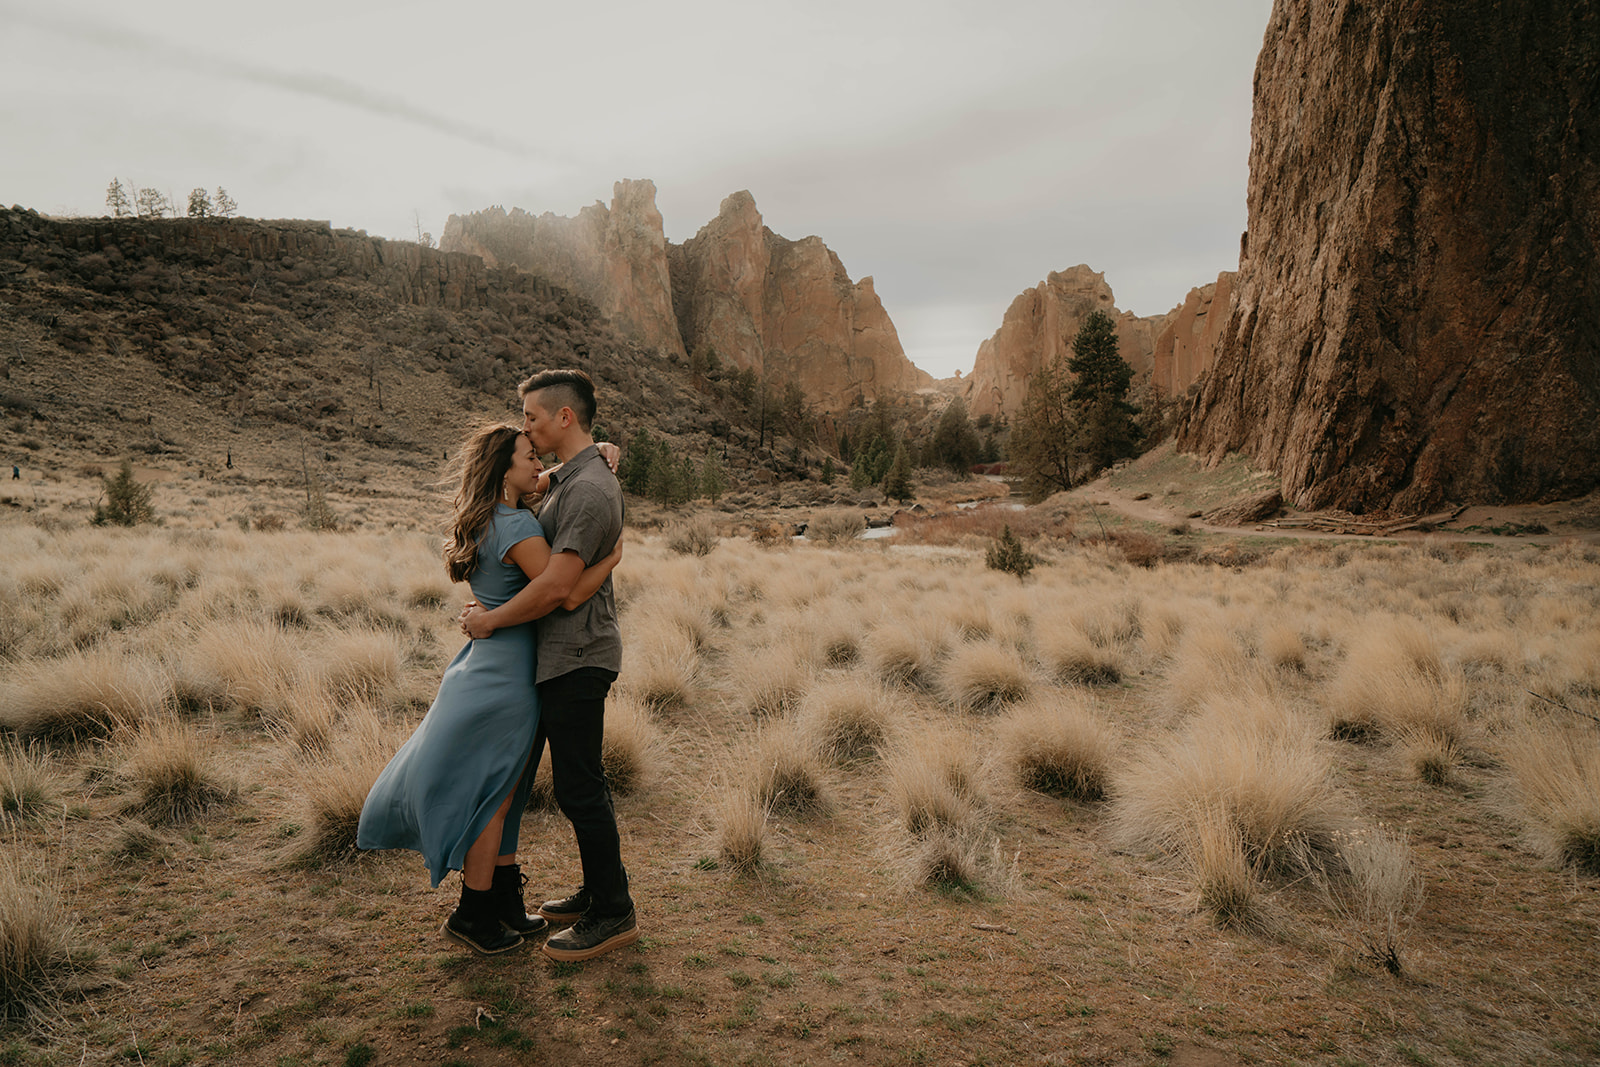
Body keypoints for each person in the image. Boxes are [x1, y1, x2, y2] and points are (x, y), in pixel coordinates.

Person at [357, 423, 621, 956]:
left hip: (487, 667)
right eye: (527, 457)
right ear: (505, 471)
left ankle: (502, 899)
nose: (537, 463)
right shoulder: (519, 526)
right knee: (494, 798)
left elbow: (548, 478)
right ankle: (473, 914)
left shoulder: (490, 517)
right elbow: (562, 594)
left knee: (509, 790)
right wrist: (610, 560)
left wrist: (602, 453)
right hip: (506, 678)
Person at [461, 368, 634, 962]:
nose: (526, 427)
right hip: (559, 655)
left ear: (564, 417)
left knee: (580, 788)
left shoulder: (587, 489)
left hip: (579, 654)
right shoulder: (574, 477)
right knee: (578, 786)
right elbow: (554, 477)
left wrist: (488, 620)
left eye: (532, 416)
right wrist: (603, 450)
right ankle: (598, 892)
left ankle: (614, 912)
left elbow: (559, 588)